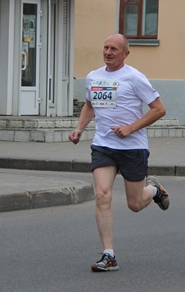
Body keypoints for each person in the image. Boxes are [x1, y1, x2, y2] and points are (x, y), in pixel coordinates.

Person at [69, 33, 169, 272]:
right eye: (106, 47)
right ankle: (109, 255)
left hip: (132, 147)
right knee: (102, 196)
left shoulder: (134, 77)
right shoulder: (93, 77)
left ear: (126, 53)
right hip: (103, 145)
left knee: (135, 204)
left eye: (114, 49)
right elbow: (90, 105)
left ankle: (154, 190)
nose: (108, 52)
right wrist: (79, 128)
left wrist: (130, 128)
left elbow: (159, 109)